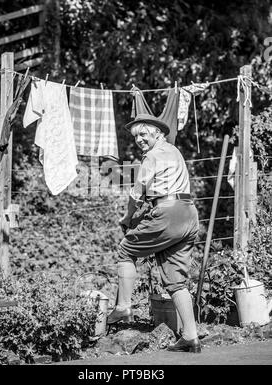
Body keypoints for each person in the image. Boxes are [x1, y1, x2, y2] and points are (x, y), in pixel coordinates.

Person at [107, 113, 201, 353]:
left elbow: (136, 194)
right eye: (136, 136)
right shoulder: (175, 151)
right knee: (176, 281)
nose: (139, 140)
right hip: (188, 213)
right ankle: (190, 336)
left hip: (168, 213)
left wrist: (128, 218)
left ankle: (124, 306)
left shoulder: (152, 156)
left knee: (126, 251)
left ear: (158, 133)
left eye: (143, 134)